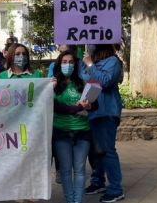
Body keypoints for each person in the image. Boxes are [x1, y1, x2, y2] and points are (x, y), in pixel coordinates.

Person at [52, 50, 98, 203]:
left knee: (79, 170)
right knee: (65, 171)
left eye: (71, 62)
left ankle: (77, 201)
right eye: (64, 62)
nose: (68, 65)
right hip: (61, 132)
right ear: (59, 64)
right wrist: (79, 108)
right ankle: (69, 200)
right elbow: (57, 108)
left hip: (82, 132)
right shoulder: (53, 86)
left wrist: (89, 106)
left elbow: (94, 104)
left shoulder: (83, 83)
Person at [82, 44, 125, 203]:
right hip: (91, 112)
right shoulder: (87, 61)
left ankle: (115, 189)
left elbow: (105, 81)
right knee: (96, 151)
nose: (90, 46)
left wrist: (90, 65)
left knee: (107, 150)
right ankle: (97, 181)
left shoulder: (112, 61)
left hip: (106, 112)